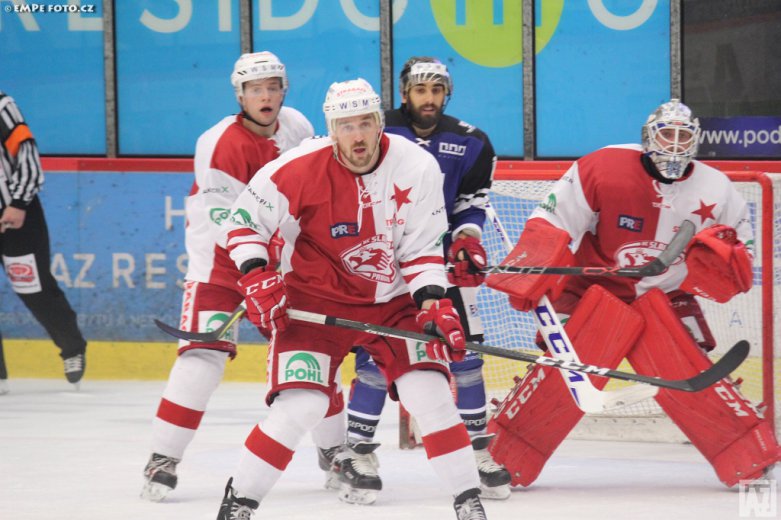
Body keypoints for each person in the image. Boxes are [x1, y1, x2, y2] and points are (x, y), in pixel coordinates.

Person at [216, 78, 488, 520]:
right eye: (346, 126)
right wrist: (256, 272)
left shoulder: (418, 166)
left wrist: (433, 303)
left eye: (365, 123)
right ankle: (239, 502)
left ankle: (468, 501)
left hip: (394, 303)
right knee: (301, 406)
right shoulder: (297, 166)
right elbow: (243, 222)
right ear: (331, 129)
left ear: (380, 123)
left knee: (430, 394)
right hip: (314, 303)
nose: (357, 135)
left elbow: (421, 249)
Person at [485, 99, 781, 488]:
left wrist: (723, 261)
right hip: (591, 290)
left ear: (695, 141)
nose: (674, 145)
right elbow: (553, 219)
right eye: (666, 134)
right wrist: (534, 269)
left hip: (667, 295)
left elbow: (741, 250)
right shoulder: (604, 166)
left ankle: (748, 457)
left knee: (687, 368)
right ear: (648, 137)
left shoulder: (717, 188)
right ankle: (502, 458)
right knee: (562, 373)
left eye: (683, 137)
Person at [139, 52, 336, 502]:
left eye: (272, 87)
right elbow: (228, 223)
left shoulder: (298, 127)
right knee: (201, 359)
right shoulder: (219, 143)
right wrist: (257, 270)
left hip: (281, 270)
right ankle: (163, 457)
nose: (265, 96)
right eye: (255, 89)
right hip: (222, 268)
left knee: (313, 355)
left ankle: (335, 450)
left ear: (284, 91)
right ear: (240, 96)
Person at [341, 57, 511, 502]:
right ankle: (357, 452)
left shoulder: (472, 141)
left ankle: (476, 451)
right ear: (405, 93)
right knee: (374, 359)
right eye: (421, 90)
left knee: (466, 355)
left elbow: (471, 203)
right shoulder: (377, 129)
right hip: (384, 265)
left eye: (437, 90)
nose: (429, 98)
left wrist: (467, 240)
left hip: (440, 264)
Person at [0, 91, 87, 391]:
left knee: (33, 288)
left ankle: (72, 347)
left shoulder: (2, 105)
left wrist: (18, 203)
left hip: (14, 215)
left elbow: (26, 154)